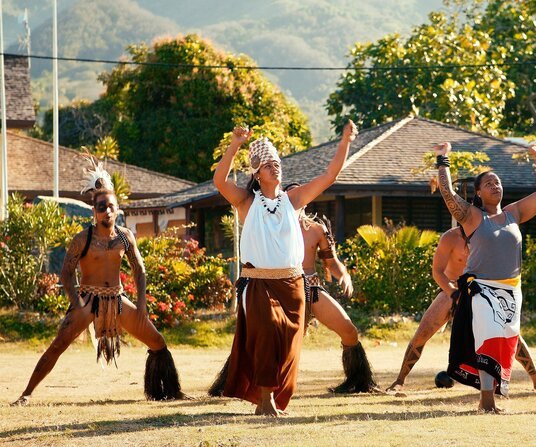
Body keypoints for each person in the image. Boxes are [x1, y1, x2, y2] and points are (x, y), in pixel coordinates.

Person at [212, 121, 356, 416]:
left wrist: (345, 141)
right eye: (267, 164)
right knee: (267, 335)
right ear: (257, 172)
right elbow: (219, 181)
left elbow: (331, 175)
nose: (274, 167)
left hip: (293, 285)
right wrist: (235, 144)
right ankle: (265, 402)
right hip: (258, 283)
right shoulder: (246, 201)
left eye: (276, 163)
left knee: (288, 346)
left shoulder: (293, 200)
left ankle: (272, 399)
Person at [11, 160, 184, 406]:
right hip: (88, 300)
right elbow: (66, 273)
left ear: (117, 208)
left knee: (158, 343)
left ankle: (167, 391)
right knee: (58, 345)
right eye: (102, 207)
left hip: (117, 299)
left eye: (111, 207)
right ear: (94, 210)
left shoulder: (125, 237)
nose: (107, 212)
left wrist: (142, 305)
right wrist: (77, 303)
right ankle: (26, 393)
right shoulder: (83, 239)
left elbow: (140, 270)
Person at [209, 182, 379, 396]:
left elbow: (332, 262)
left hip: (311, 287)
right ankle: (235, 383)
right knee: (263, 336)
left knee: (349, 330)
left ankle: (358, 381)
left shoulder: (317, 229)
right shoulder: (268, 224)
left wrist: (343, 275)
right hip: (278, 286)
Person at [434, 141, 536, 413]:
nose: (495, 186)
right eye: (488, 183)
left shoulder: (513, 213)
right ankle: (487, 400)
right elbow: (447, 193)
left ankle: (493, 392)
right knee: (487, 339)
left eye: (497, 182)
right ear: (478, 192)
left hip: (512, 289)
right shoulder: (472, 216)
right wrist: (443, 159)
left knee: (506, 340)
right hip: (482, 290)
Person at [386, 226, 536, 393]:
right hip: (451, 290)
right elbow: (437, 272)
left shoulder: (490, 237)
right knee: (422, 333)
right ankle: (399, 380)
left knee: (508, 333)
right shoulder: (450, 237)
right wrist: (453, 293)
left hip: (481, 291)